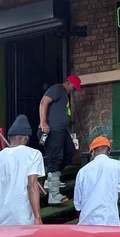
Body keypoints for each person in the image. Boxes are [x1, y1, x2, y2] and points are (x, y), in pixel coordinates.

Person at [0, 115, 44, 226]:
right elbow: (32, 185)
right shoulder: (34, 154)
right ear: (26, 138)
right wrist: (37, 217)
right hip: (23, 222)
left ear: (9, 138)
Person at [39, 75, 82, 205]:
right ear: (68, 82)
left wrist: (68, 133)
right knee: (55, 158)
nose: (74, 90)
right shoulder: (57, 88)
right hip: (52, 130)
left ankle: (53, 179)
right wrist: (43, 122)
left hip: (62, 131)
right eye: (74, 87)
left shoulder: (65, 96)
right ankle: (53, 194)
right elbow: (43, 102)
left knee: (70, 151)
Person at [74, 136, 120, 226]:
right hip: (110, 223)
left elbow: (77, 205)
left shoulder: (82, 172)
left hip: (87, 224)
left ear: (92, 152)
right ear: (109, 151)